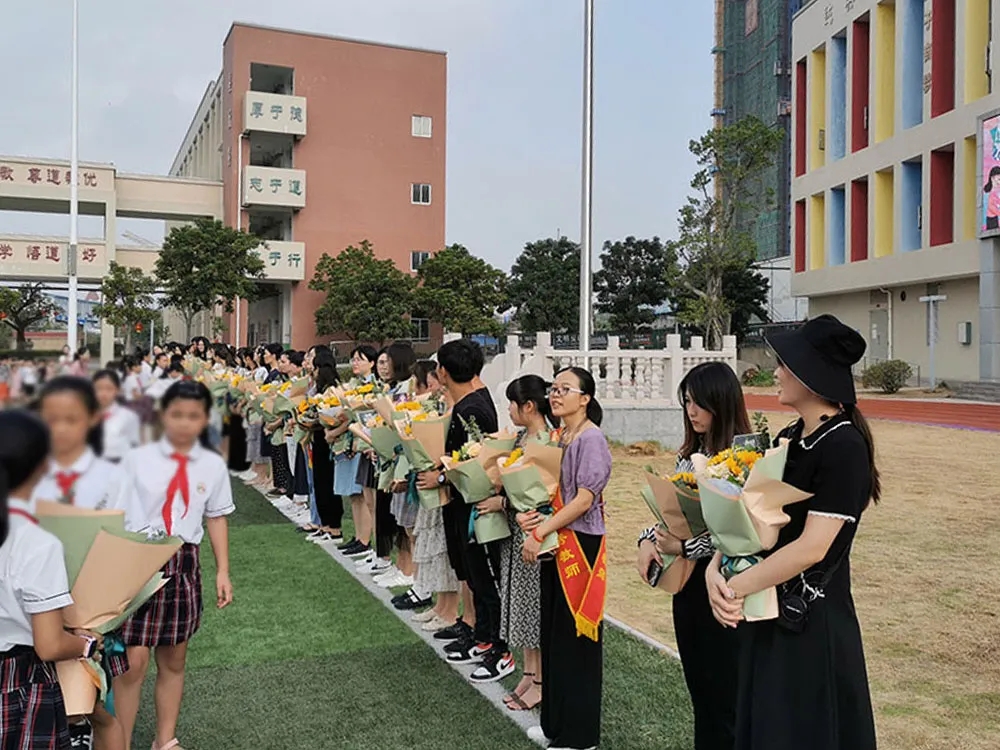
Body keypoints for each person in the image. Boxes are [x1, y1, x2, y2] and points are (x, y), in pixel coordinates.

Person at [707, 314, 879, 750]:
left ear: (812, 373)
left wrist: (735, 586)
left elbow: (811, 548)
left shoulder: (844, 446)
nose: (777, 373)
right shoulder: (790, 436)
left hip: (810, 621)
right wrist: (716, 569)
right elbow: (749, 515)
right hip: (768, 610)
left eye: (785, 364)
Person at [112, 381, 235, 750]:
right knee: (132, 662)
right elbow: (114, 513)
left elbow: (216, 516)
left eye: (193, 415)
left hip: (182, 562)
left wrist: (223, 571)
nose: (184, 422)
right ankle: (120, 741)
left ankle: (165, 739)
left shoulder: (212, 464)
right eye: (176, 414)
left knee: (174, 657)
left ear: (205, 419)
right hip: (136, 559)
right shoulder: (137, 458)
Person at [636, 361, 748, 749]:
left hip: (727, 589)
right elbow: (673, 517)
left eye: (699, 402)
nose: (692, 411)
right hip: (688, 589)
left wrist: (684, 548)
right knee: (701, 692)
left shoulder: (743, 459)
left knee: (727, 697)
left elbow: (737, 536)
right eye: (686, 402)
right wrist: (646, 540)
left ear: (722, 402)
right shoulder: (689, 455)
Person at [0, 410, 105, 750]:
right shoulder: (35, 541)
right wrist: (86, 644)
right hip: (18, 681)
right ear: (42, 466)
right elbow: (49, 645)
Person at [34, 377, 128, 749]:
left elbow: (121, 540)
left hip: (91, 610)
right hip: (37, 611)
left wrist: (93, 613)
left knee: (95, 708)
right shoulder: (28, 471)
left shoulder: (112, 474)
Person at [522, 366, 611, 750]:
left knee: (577, 643)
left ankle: (580, 736)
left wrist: (540, 530)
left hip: (579, 544)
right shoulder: (561, 436)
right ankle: (555, 724)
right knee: (555, 635)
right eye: (553, 388)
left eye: (565, 389)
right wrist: (532, 516)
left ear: (585, 399)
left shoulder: (591, 439)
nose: (555, 395)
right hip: (557, 539)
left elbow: (584, 500)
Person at [417, 339, 511, 682]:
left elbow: (478, 462)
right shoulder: (465, 402)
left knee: (485, 578)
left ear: (443, 371)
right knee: (473, 575)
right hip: (461, 502)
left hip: (475, 506)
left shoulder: (474, 408)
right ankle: (481, 636)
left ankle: (497, 646)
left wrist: (441, 476)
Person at [494, 375, 556, 710]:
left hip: (537, 533)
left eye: (513, 404)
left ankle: (541, 680)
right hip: (516, 532)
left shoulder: (549, 440)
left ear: (529, 406)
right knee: (519, 603)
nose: (509, 410)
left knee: (534, 607)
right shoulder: (520, 438)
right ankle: (529, 673)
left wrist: (510, 505)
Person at [403, 361, 457, 622]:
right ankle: (440, 604)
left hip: (444, 485)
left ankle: (449, 610)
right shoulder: (439, 407)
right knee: (433, 548)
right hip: (432, 481)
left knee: (442, 550)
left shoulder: (455, 409)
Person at [337, 345, 379, 560]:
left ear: (371, 363)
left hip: (366, 444)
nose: (355, 363)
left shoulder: (375, 386)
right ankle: (359, 536)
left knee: (366, 497)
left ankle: (366, 540)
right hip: (354, 440)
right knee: (356, 495)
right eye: (353, 359)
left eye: (359, 359)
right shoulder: (354, 385)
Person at [92, 370, 142, 464]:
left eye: (109, 389)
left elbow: (134, 446)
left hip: (119, 464)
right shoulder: (85, 416)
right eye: (98, 388)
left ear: (117, 390)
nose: (103, 393)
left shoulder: (128, 416)